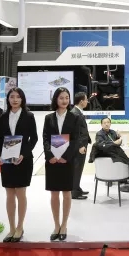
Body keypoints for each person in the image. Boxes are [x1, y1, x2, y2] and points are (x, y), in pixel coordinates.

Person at [0, 87, 38, 243]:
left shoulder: (29, 116)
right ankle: (11, 228)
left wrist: (23, 154)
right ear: (8, 99)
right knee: (9, 194)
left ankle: (20, 227)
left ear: (22, 99)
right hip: (6, 160)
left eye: (18, 97)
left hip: (23, 160)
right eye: (12, 96)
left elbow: (34, 138)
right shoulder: (2, 117)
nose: (15, 99)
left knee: (21, 193)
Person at [43, 87, 79, 242]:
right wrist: (50, 156)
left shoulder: (74, 117)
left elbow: (76, 139)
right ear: (56, 99)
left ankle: (64, 225)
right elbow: (45, 138)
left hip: (67, 161)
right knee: (54, 194)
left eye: (67, 97)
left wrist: (66, 157)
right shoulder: (49, 118)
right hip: (52, 161)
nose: (64, 100)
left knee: (66, 193)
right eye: (61, 98)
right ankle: (56, 225)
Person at [70, 92, 91, 200]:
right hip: (78, 147)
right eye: (86, 99)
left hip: (81, 145)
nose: (87, 101)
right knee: (76, 168)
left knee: (79, 168)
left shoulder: (78, 112)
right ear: (81, 101)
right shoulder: (75, 113)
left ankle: (77, 188)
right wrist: (80, 146)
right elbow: (75, 133)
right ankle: (74, 192)